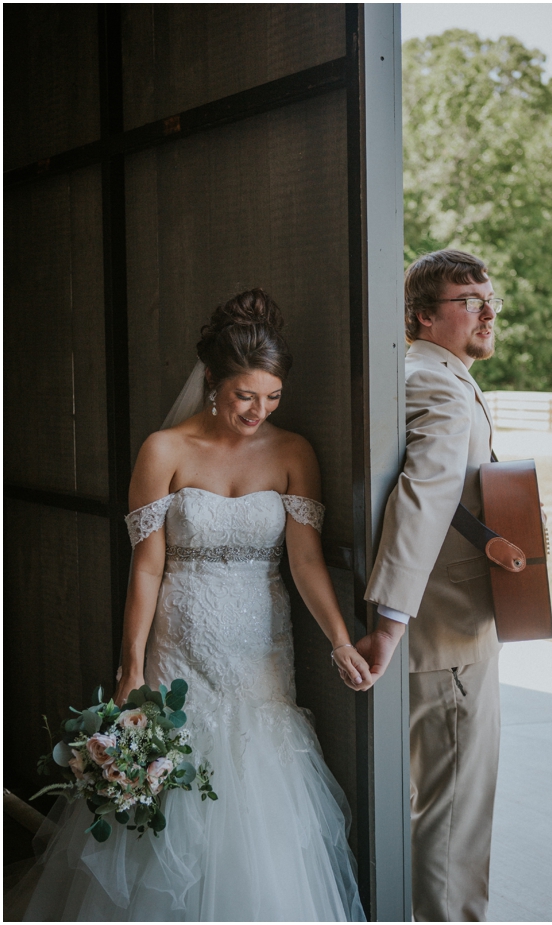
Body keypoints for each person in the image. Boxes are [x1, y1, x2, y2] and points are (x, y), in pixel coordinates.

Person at [20, 289, 370, 921]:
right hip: (180, 639)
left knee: (260, 782)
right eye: (245, 396)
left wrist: (341, 639)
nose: (257, 412)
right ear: (212, 380)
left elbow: (306, 560)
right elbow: (147, 565)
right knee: (176, 783)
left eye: (272, 399)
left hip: (262, 647)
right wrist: (130, 668)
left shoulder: (293, 453)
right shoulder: (164, 451)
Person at [352, 249, 507, 922]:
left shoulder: (434, 372)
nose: (487, 310)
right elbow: (425, 496)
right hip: (447, 636)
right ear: (422, 316)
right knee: (453, 818)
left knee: (447, 807)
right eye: (469, 299)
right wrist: (390, 622)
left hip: (455, 628)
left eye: (489, 295)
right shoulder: (436, 383)